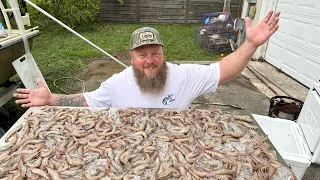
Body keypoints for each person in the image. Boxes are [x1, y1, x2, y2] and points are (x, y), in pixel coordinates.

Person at [14, 10, 280, 109]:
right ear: (132, 57)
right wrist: (51, 99)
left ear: (164, 54)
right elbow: (87, 100)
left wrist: (250, 45)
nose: (150, 60)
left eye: (155, 53)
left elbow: (224, 70)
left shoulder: (183, 76)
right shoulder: (117, 83)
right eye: (142, 55)